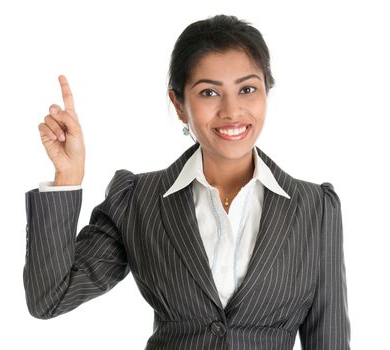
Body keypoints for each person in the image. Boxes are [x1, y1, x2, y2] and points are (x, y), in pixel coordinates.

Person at [23, 14, 351, 349]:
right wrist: (68, 176)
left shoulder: (316, 208)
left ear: (267, 91)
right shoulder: (137, 200)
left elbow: (330, 341)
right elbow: (50, 298)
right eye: (209, 92)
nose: (232, 110)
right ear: (179, 105)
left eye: (247, 89)